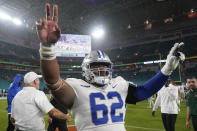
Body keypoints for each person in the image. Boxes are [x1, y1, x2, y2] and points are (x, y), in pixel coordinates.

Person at [36, 3, 185, 131]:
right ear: (86, 69)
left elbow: (145, 91)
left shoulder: (119, 83)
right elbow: (52, 81)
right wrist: (48, 48)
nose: (102, 69)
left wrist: (167, 70)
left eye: (105, 66)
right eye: (96, 66)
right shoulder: (76, 86)